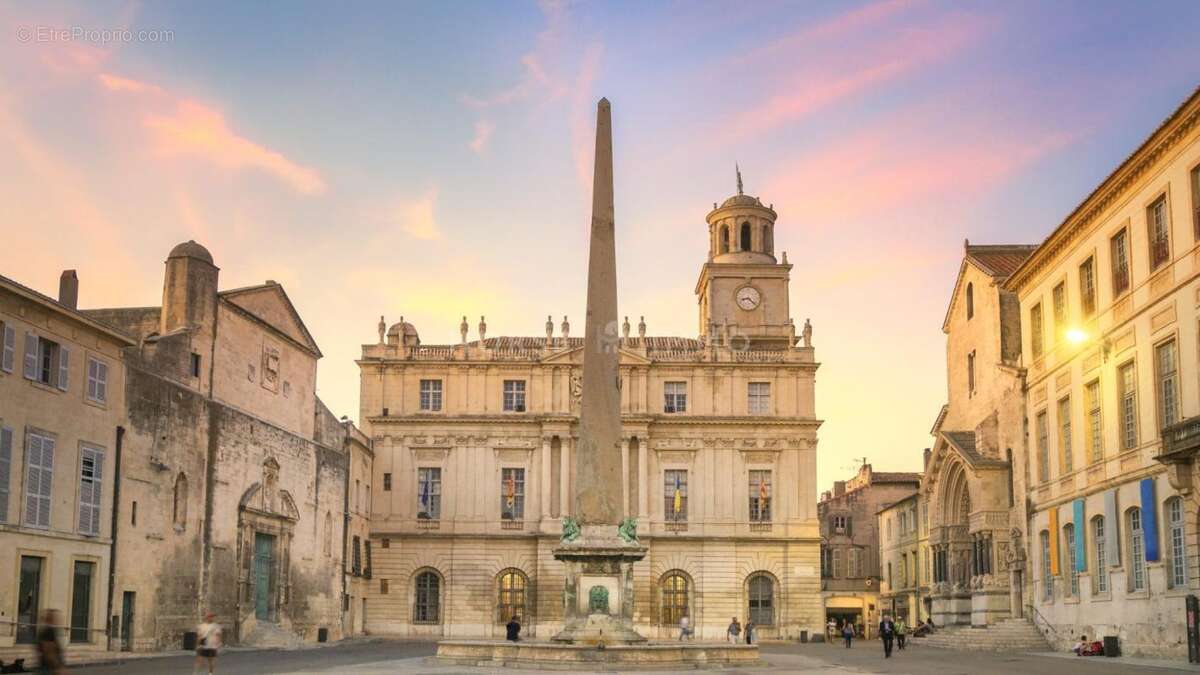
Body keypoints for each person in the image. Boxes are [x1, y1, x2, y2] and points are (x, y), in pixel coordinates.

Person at [36, 609, 65, 675]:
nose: (59, 619)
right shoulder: (49, 631)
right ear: (51, 619)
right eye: (56, 617)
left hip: (47, 667)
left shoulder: (45, 630)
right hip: (49, 669)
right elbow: (49, 651)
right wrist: (59, 668)